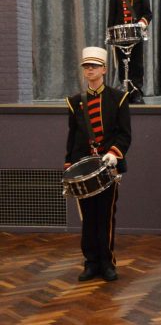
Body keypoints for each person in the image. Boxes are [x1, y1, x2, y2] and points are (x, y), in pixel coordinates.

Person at [65, 47, 131, 282]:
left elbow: (125, 134)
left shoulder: (118, 98)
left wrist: (114, 153)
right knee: (88, 217)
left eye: (94, 66)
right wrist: (70, 166)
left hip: (108, 168)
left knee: (105, 216)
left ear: (104, 69)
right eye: (86, 66)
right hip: (84, 169)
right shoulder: (75, 102)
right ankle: (91, 262)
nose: (90, 70)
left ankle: (107, 262)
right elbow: (73, 137)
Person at [107, 0, 153, 104]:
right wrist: (110, 34)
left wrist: (141, 23)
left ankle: (136, 91)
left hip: (136, 33)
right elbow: (112, 15)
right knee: (122, 62)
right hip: (119, 34)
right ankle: (125, 88)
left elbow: (148, 13)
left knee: (136, 63)